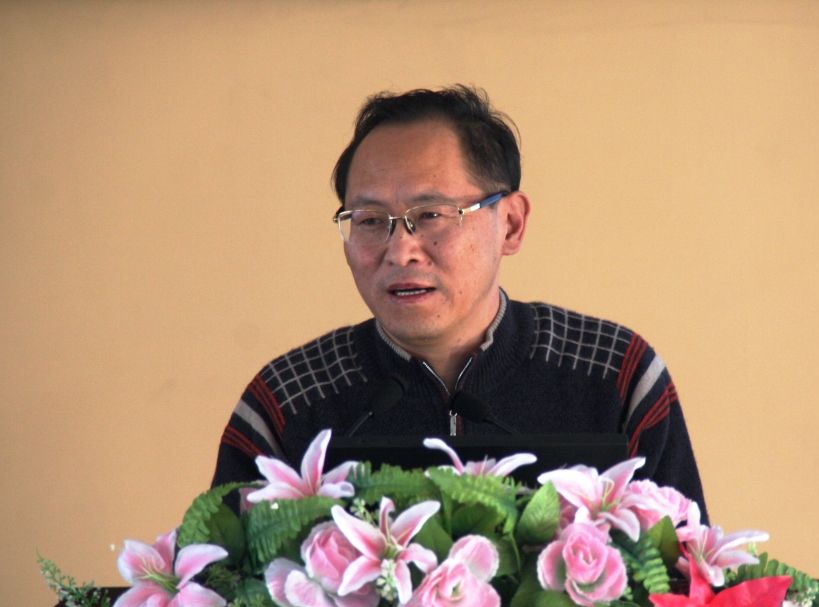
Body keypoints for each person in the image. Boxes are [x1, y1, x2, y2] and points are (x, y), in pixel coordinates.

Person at [212, 85, 707, 519]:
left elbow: (689, 582)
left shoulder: (615, 376)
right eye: (369, 221)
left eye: (431, 215)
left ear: (510, 224)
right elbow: (219, 587)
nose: (400, 250)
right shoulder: (287, 401)